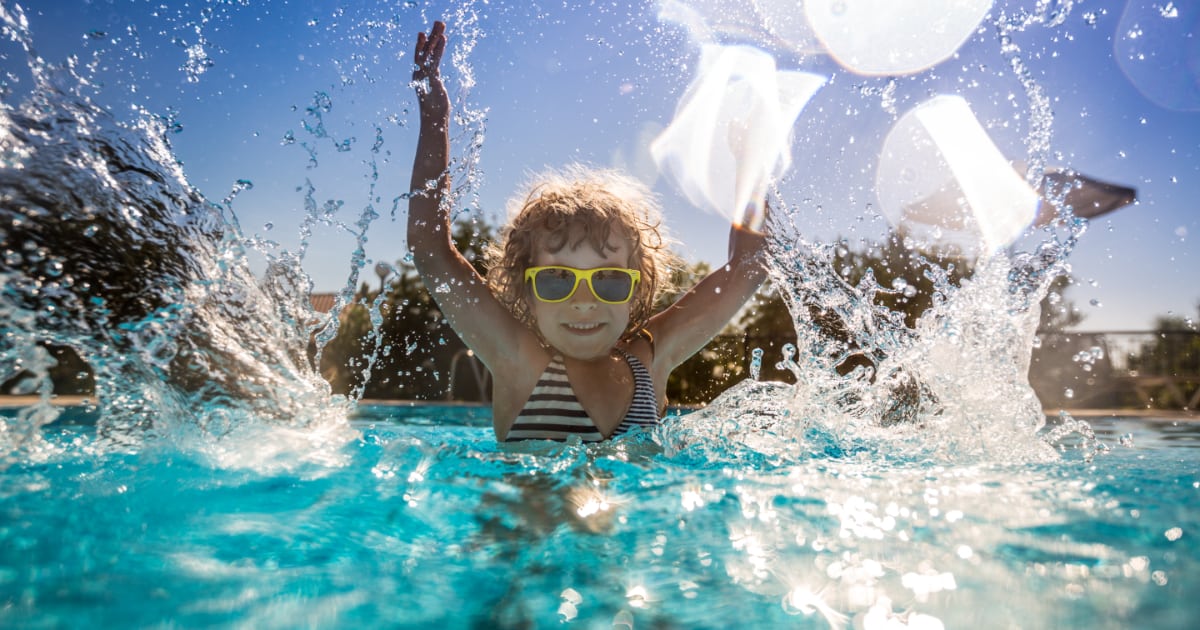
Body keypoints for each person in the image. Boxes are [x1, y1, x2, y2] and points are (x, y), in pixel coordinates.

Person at [407, 21, 769, 442]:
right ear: (527, 289)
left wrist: (752, 165)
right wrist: (435, 117)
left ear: (637, 288)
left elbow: (751, 266)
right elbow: (429, 247)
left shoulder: (650, 358)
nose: (584, 302)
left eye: (610, 281)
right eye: (557, 279)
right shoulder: (517, 357)